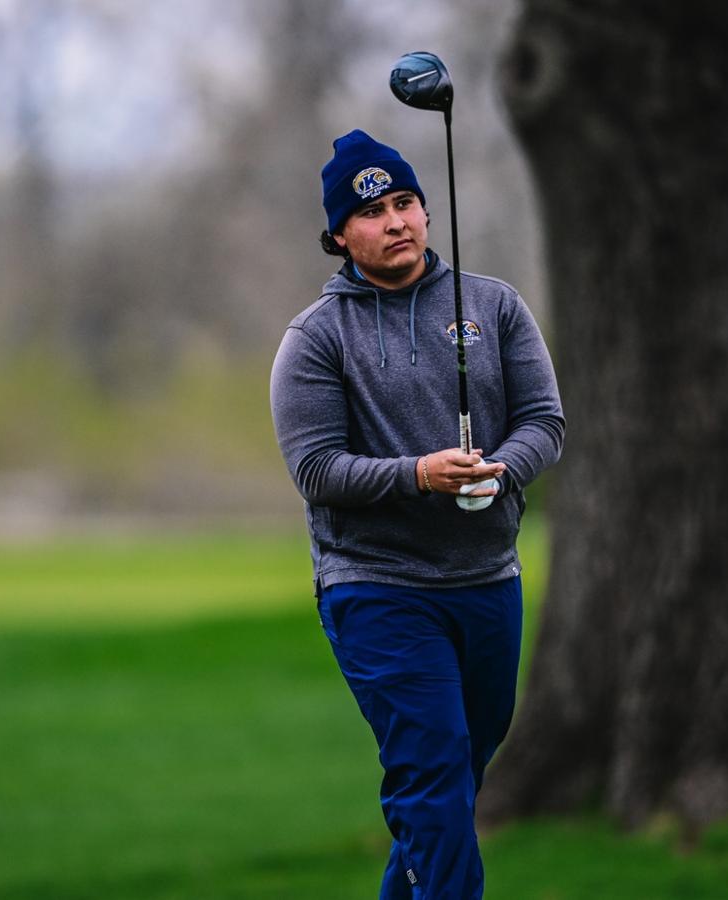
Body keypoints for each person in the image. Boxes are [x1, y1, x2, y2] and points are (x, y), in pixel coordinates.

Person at [269, 129, 564, 899]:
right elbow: (317, 470)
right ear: (338, 234)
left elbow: (544, 420)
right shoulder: (316, 339)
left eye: (406, 203)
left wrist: (502, 471)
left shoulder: (494, 306)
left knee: (452, 785)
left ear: (428, 212)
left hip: (486, 579)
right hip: (378, 586)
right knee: (432, 775)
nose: (395, 221)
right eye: (372, 213)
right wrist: (420, 475)